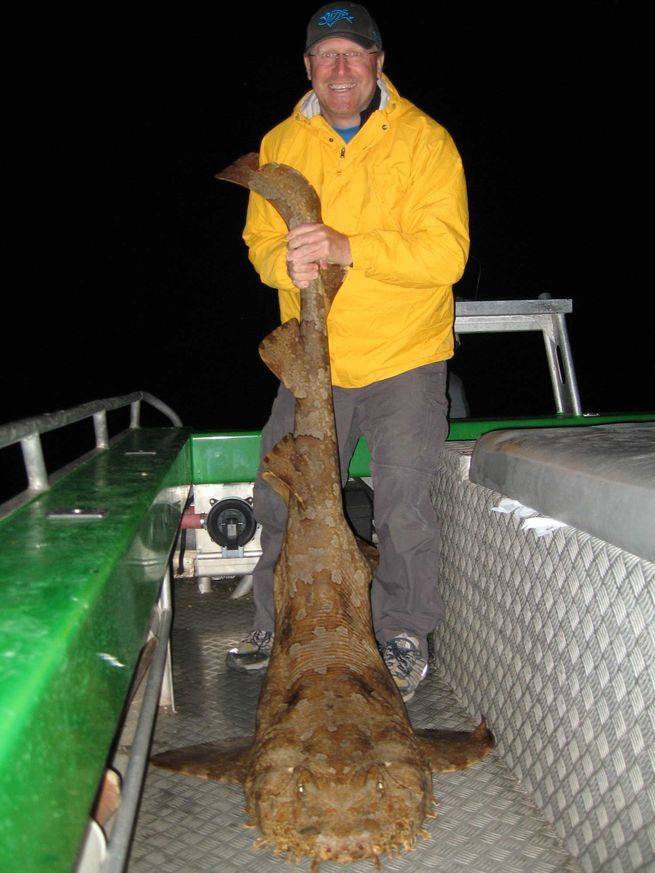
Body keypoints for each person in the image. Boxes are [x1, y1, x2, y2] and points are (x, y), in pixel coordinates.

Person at [227, 2, 469, 702]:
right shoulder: (278, 143)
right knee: (283, 497)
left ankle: (402, 632)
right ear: (307, 67)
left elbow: (446, 252)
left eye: (353, 55)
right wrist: (287, 267)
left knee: (403, 507)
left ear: (377, 63)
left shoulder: (425, 142)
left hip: (402, 355)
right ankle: (272, 623)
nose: (339, 69)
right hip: (312, 362)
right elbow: (260, 243)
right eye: (324, 56)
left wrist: (347, 249)